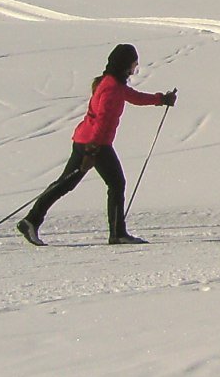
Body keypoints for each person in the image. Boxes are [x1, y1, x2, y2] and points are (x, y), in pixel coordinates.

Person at [17, 44, 177, 246]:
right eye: (134, 64)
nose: (135, 68)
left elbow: (134, 97)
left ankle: (31, 221)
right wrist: (92, 151)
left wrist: (161, 99)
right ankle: (117, 234)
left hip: (86, 141)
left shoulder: (113, 84)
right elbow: (102, 121)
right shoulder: (111, 88)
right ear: (125, 65)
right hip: (95, 144)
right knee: (116, 183)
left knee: (66, 183)